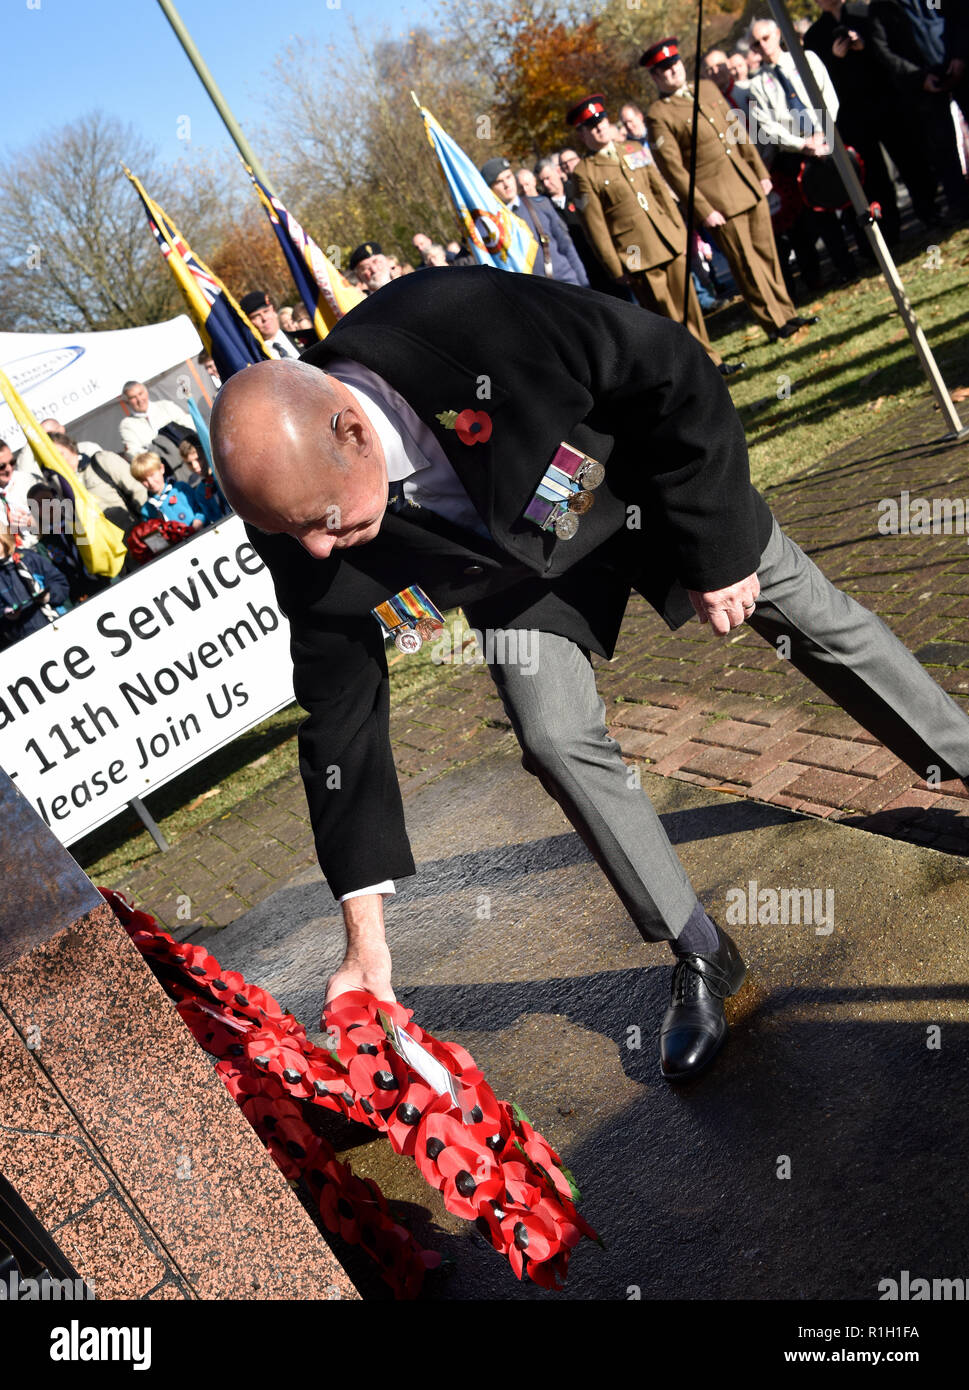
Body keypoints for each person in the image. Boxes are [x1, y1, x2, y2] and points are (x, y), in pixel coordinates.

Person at [209, 268, 969, 1083]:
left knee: (816, 620)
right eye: (295, 534)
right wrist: (365, 945)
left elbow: (669, 365)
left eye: (324, 524)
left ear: (353, 432)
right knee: (552, 737)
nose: (316, 551)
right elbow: (339, 715)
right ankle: (702, 952)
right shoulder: (292, 514)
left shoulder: (460, 318)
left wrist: (718, 552)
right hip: (508, 577)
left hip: (623, 482)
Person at [642, 36, 813, 343]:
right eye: (664, 69)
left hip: (745, 183)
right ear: (655, 77)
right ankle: (775, 323)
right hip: (717, 200)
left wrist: (759, 171)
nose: (673, 71)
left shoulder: (705, 88)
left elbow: (736, 129)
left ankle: (787, 312)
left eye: (675, 63)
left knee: (767, 254)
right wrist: (703, 209)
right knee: (746, 264)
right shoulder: (659, 115)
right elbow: (674, 170)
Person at [566, 92, 739, 373]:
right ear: (582, 135)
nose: (600, 127)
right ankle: (689, 371)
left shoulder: (633, 149)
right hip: (636, 254)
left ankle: (712, 362)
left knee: (691, 308)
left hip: (668, 239)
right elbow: (595, 226)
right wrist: (615, 266)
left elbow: (660, 192)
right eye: (591, 126)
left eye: (602, 120)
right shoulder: (585, 173)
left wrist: (680, 232)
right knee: (666, 316)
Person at [747, 17, 860, 290]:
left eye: (766, 37)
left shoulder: (806, 59)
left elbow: (828, 95)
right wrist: (803, 145)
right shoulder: (757, 84)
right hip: (797, 152)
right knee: (821, 213)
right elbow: (767, 126)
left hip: (829, 138)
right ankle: (846, 267)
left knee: (851, 199)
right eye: (756, 43)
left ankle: (871, 251)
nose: (763, 46)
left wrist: (823, 133)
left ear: (778, 34)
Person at [867, 0, 969, 220]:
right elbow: (882, 49)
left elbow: (958, 16)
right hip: (922, 84)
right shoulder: (881, 7)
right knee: (942, 146)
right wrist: (918, 78)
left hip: (957, 66)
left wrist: (960, 57)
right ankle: (959, 202)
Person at [480, 156, 589, 286]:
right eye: (499, 181)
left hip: (566, 282)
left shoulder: (541, 204)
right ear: (491, 189)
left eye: (508, 177)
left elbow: (566, 246)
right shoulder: (493, 226)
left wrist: (584, 283)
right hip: (532, 294)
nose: (506, 184)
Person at [47, 432, 146, 535]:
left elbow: (138, 490)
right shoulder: (61, 487)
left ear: (69, 447)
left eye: (61, 454)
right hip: (103, 546)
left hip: (135, 534)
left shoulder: (102, 460)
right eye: (54, 458)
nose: (59, 459)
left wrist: (149, 523)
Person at [0, 517, 70, 649]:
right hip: (28, 639)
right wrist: (8, 617)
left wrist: (48, 596)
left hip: (59, 621)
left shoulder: (28, 558)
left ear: (3, 538)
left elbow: (61, 583)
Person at [131, 451, 205, 532]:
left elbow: (202, 507)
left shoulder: (180, 488)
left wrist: (199, 519)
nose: (150, 482)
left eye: (152, 475)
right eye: (143, 480)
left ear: (161, 469)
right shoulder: (147, 509)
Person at [118, 380, 194, 459]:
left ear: (146, 392)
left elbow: (190, 425)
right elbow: (133, 452)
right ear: (126, 402)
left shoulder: (166, 406)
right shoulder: (127, 425)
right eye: (133, 397)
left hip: (188, 457)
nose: (139, 400)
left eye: (140, 394)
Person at [239, 291, 305, 358]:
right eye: (256, 316)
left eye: (266, 311)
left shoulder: (306, 337)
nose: (264, 318)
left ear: (273, 311)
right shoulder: (254, 358)